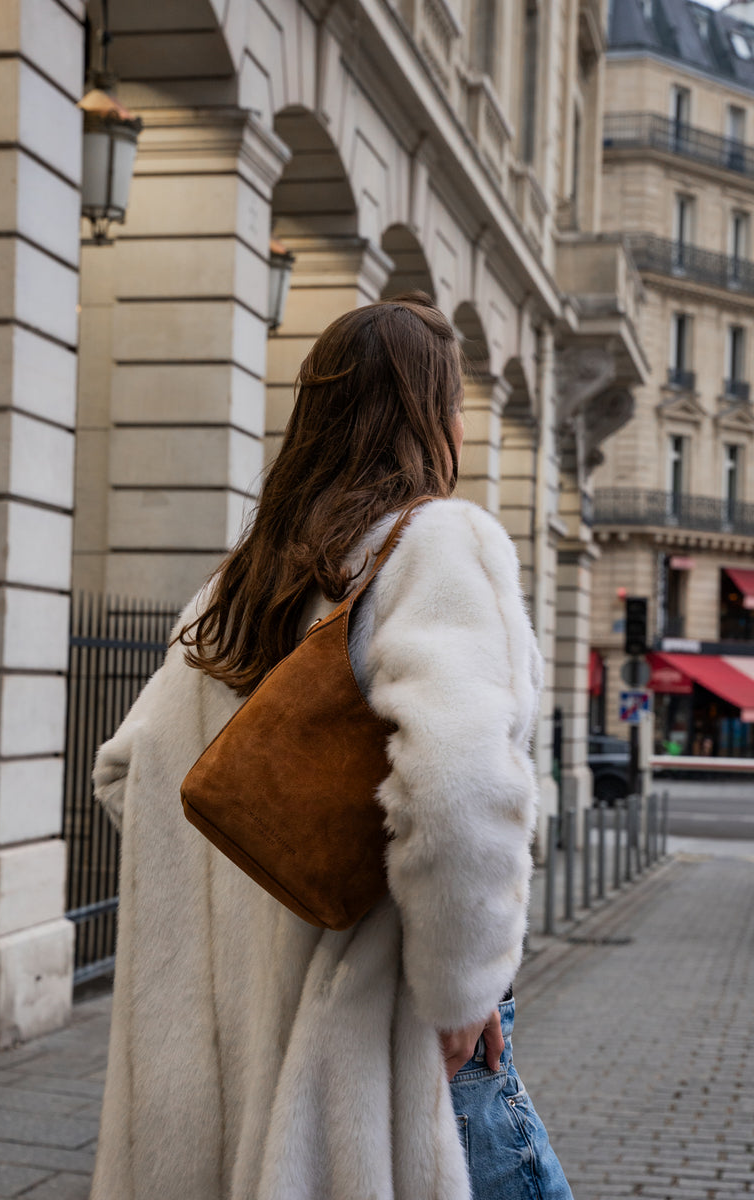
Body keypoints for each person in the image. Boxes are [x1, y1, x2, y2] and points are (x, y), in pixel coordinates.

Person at [90, 293, 573, 1199]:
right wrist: (461, 992)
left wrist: (259, 905)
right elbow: (461, 788)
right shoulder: (432, 546)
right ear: (429, 415)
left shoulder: (242, 585)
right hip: (392, 1035)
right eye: (457, 402)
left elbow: (129, 773)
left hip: (230, 1047)